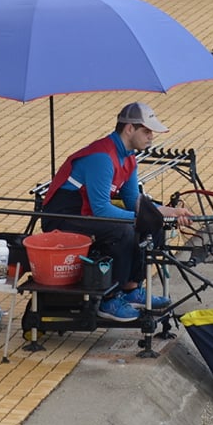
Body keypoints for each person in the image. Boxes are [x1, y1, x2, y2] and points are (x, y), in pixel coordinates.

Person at [40, 102, 193, 325]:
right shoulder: (102, 156)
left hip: (87, 213)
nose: (151, 137)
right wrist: (142, 219)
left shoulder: (129, 157)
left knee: (153, 226)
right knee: (124, 231)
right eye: (147, 131)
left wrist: (169, 212)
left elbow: (134, 201)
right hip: (64, 216)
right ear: (129, 129)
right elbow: (101, 209)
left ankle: (132, 289)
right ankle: (109, 299)